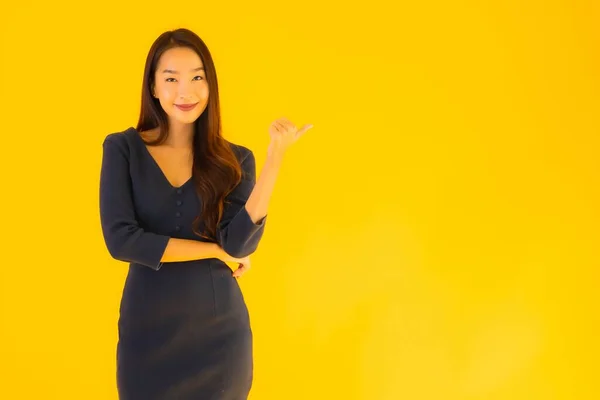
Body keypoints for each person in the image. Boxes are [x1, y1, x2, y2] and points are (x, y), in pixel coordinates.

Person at [99, 28, 313, 400]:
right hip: (146, 336)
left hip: (219, 340)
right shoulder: (123, 148)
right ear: (152, 86)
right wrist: (213, 251)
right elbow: (121, 240)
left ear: (210, 85)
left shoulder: (236, 159)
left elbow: (241, 241)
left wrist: (275, 157)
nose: (186, 91)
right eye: (171, 79)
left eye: (198, 77)